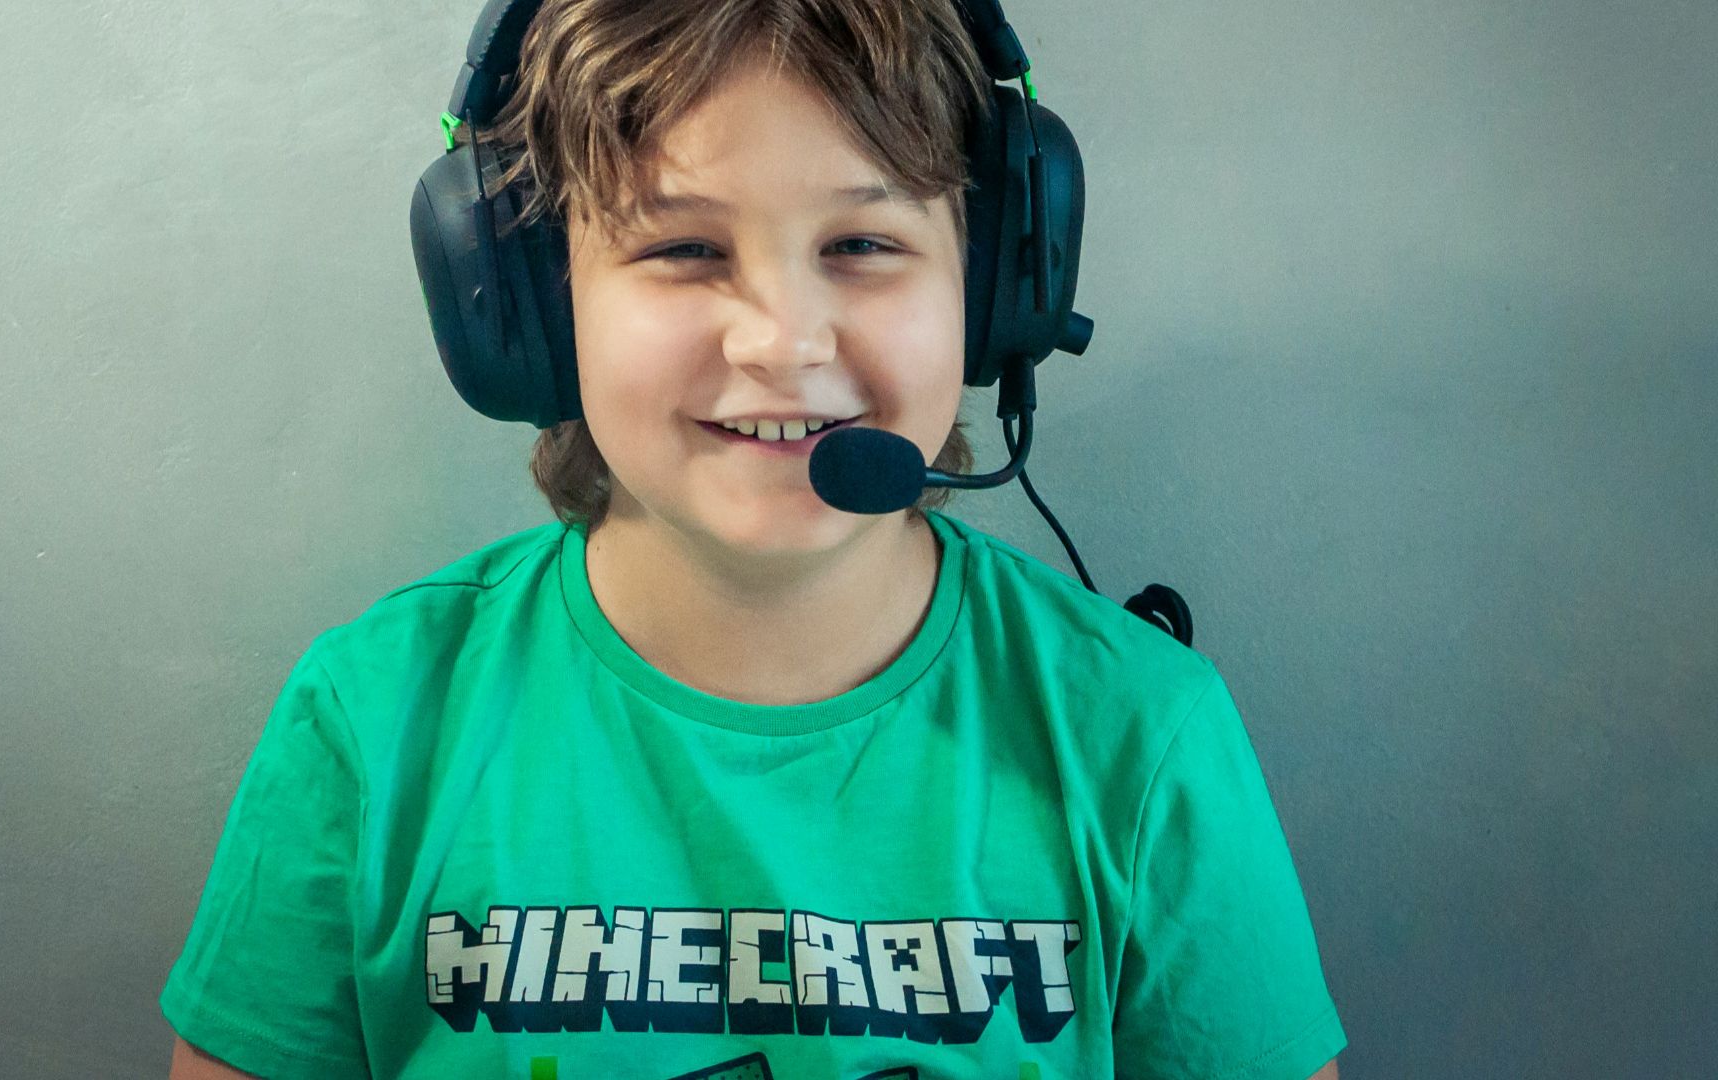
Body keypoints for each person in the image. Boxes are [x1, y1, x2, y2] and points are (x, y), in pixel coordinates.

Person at [161, 1, 1347, 1077]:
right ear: (528, 304)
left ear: (994, 296)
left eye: (863, 245)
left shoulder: (1141, 737)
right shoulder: (370, 727)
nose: (781, 344)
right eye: (683, 249)